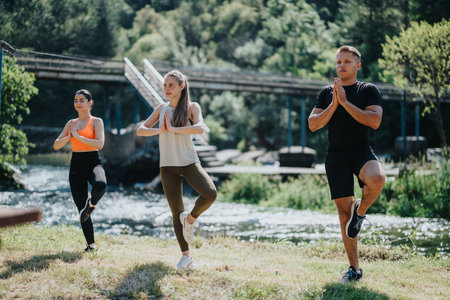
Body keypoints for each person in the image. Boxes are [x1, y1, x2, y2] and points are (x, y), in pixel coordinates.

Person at [308, 46, 385, 283]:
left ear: (357, 65)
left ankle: (360, 212)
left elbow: (374, 121)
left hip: (360, 150)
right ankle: (354, 269)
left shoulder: (368, 90)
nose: (342, 65)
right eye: (339, 61)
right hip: (336, 155)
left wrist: (346, 103)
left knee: (377, 178)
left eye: (347, 61)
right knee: (343, 215)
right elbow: (313, 124)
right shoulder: (326, 92)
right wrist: (334, 103)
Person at [137, 70, 217, 269]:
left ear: (181, 86)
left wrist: (174, 129)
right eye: (165, 85)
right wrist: (160, 130)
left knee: (210, 193)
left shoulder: (192, 107)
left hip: (189, 162)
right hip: (167, 166)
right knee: (175, 212)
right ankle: (186, 256)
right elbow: (141, 130)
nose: (166, 89)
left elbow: (199, 128)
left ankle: (190, 219)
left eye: (171, 85)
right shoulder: (161, 109)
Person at [53, 89, 107, 252]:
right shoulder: (71, 123)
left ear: (90, 103)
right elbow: (56, 145)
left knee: (101, 184)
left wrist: (78, 136)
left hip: (93, 161)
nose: (78, 103)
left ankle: (92, 204)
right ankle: (91, 244)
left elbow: (99, 144)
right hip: (76, 164)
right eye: (75, 100)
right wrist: (69, 135)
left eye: (81, 100)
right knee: (81, 207)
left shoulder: (96, 121)